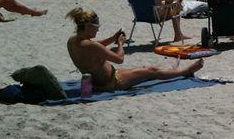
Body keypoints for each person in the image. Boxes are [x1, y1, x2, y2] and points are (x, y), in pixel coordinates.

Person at [65, 6, 203, 92]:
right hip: (111, 83)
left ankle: (171, 72)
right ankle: (186, 71)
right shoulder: (91, 46)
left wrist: (113, 38)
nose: (98, 30)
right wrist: (120, 44)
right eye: (96, 27)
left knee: (144, 71)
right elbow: (119, 59)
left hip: (94, 83)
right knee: (152, 71)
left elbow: (94, 47)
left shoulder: (73, 41)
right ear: (89, 27)